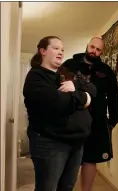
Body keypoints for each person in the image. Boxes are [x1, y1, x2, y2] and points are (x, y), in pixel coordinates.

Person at [23, 36, 96, 191]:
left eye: (62, 49)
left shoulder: (65, 75)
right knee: (48, 188)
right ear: (42, 51)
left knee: (67, 188)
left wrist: (76, 85)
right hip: (50, 142)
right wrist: (84, 98)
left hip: (76, 142)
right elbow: (58, 103)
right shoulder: (36, 77)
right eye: (55, 48)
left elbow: (92, 89)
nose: (60, 52)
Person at [61, 37, 118, 191]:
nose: (94, 51)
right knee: (66, 157)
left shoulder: (106, 71)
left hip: (96, 121)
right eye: (92, 47)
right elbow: (58, 87)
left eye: (98, 49)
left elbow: (113, 97)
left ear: (102, 51)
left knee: (90, 159)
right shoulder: (69, 65)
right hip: (71, 118)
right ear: (87, 46)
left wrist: (113, 120)